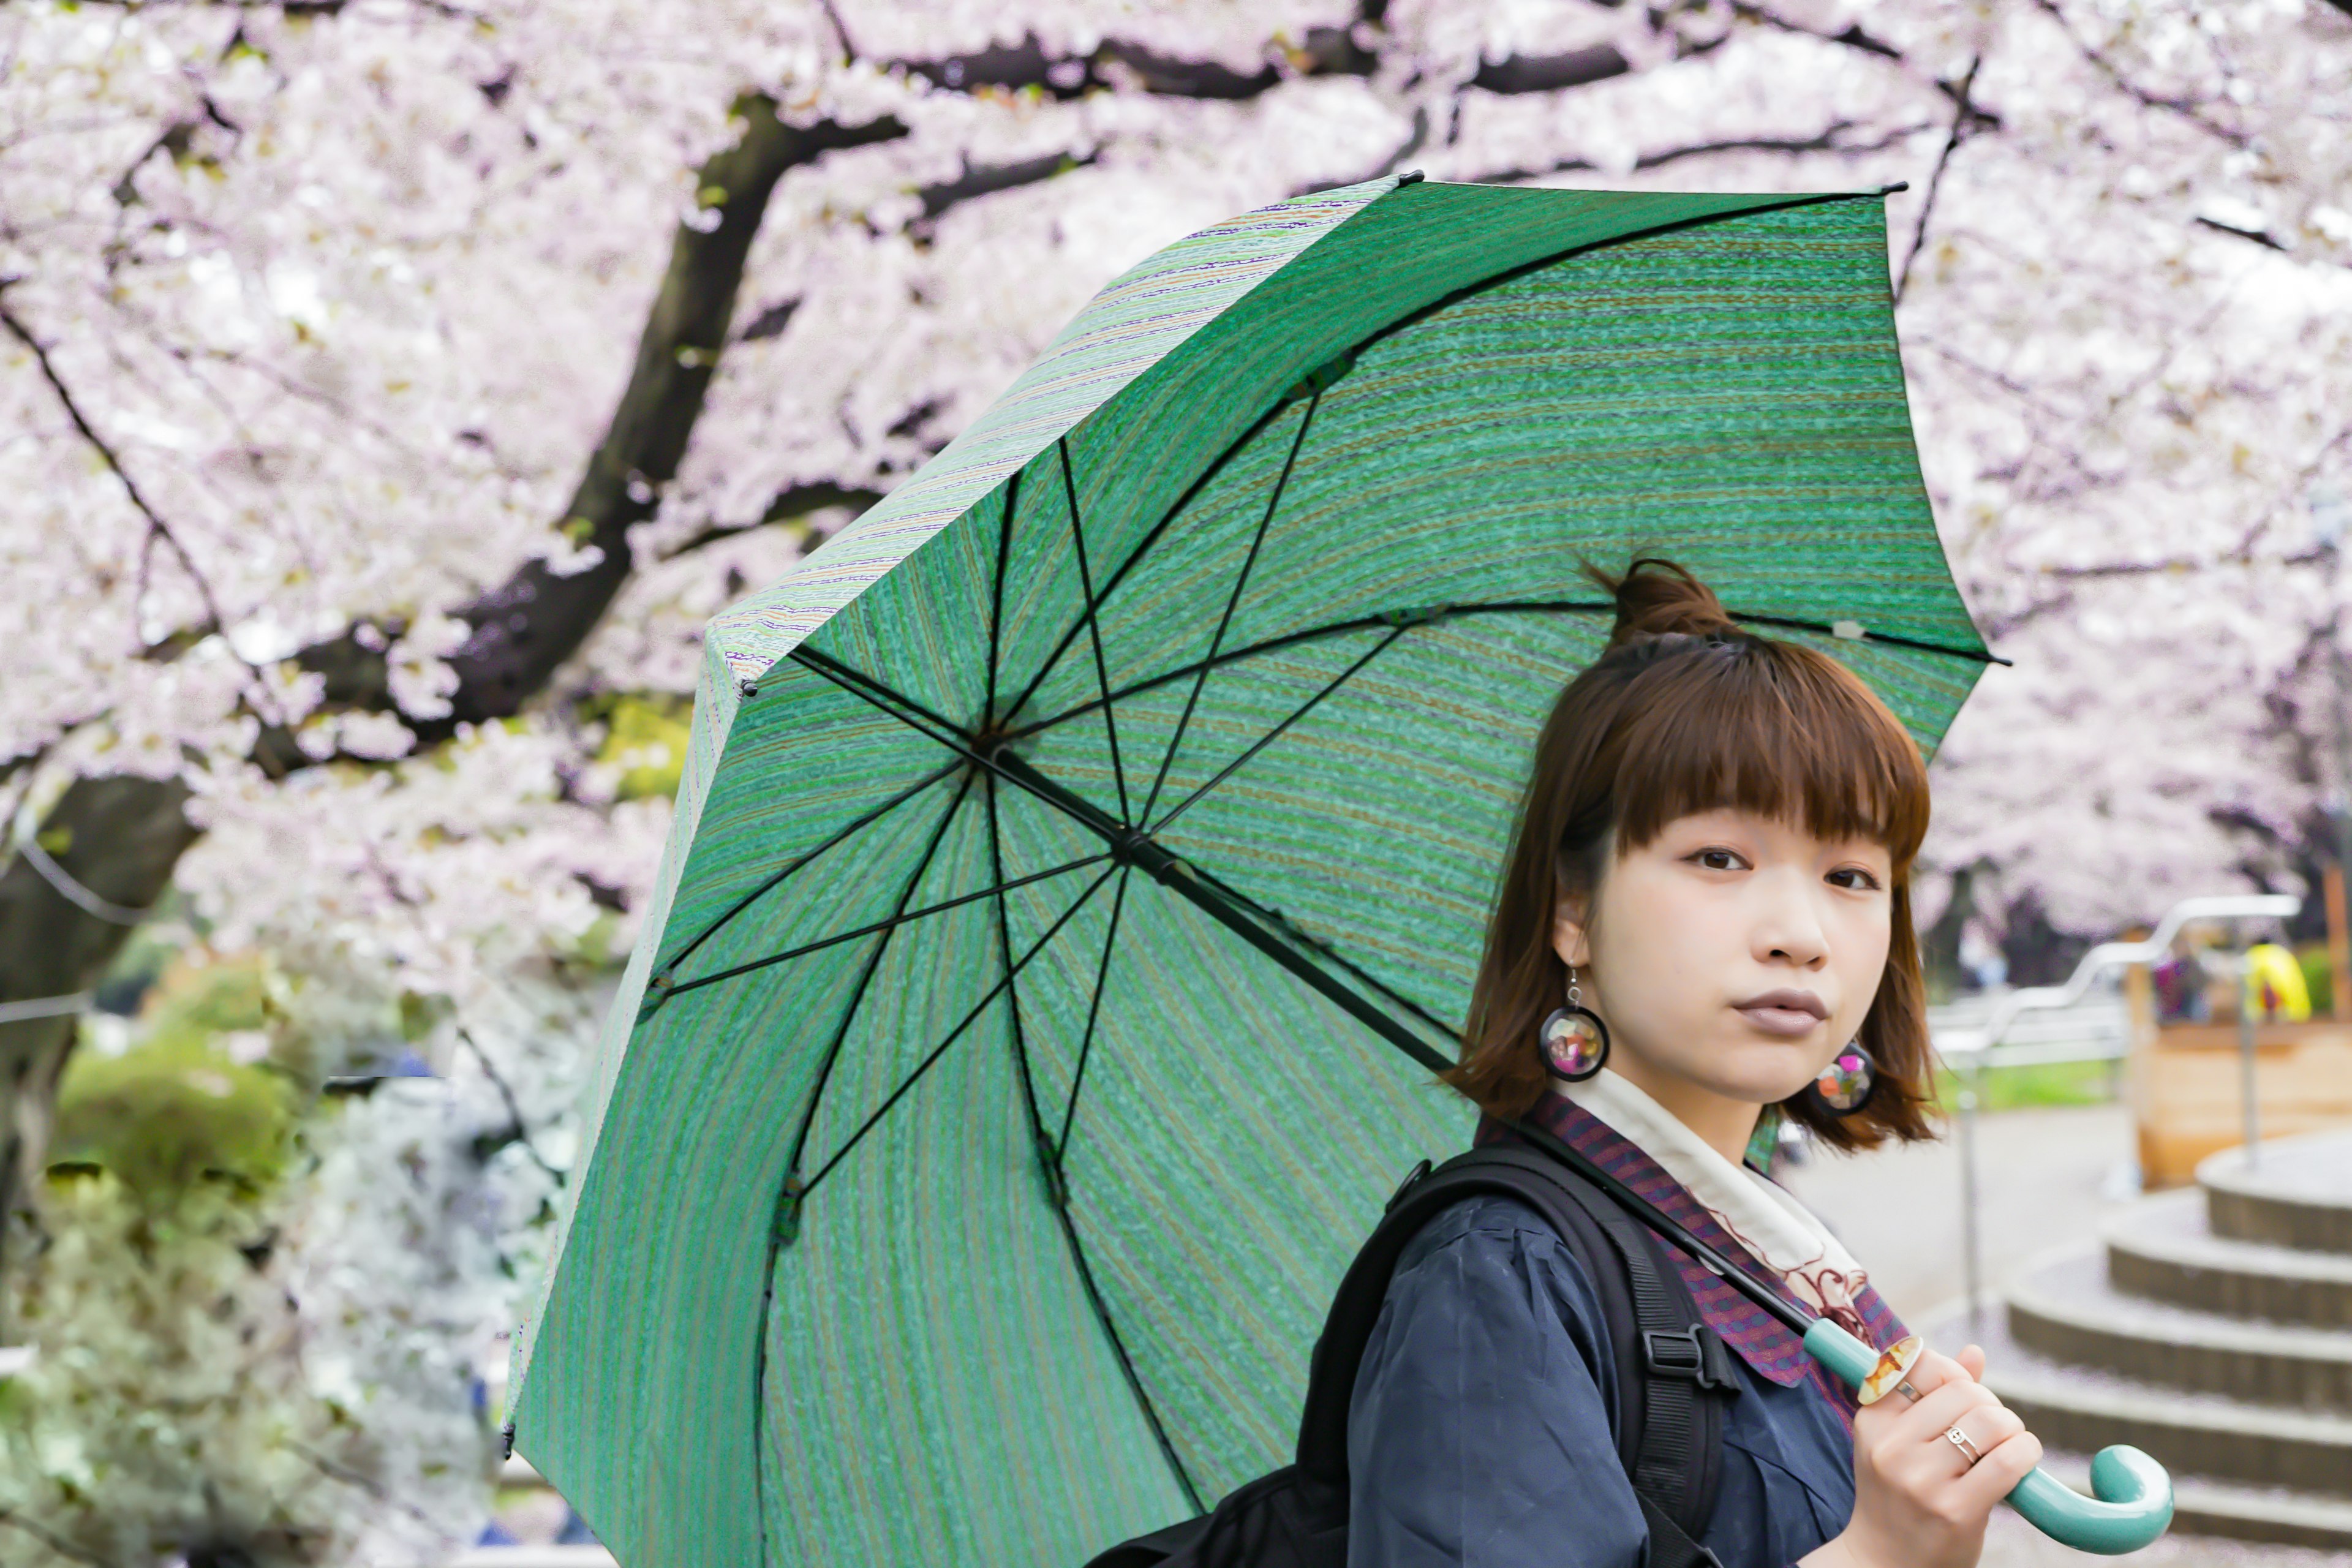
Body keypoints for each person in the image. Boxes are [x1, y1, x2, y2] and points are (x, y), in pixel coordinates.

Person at [1344, 559, 2043, 1568]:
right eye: (1720, 858)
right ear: (1570, 911)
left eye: (1851, 875)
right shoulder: (1497, 1276)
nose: (1802, 934)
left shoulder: (1783, 1254)